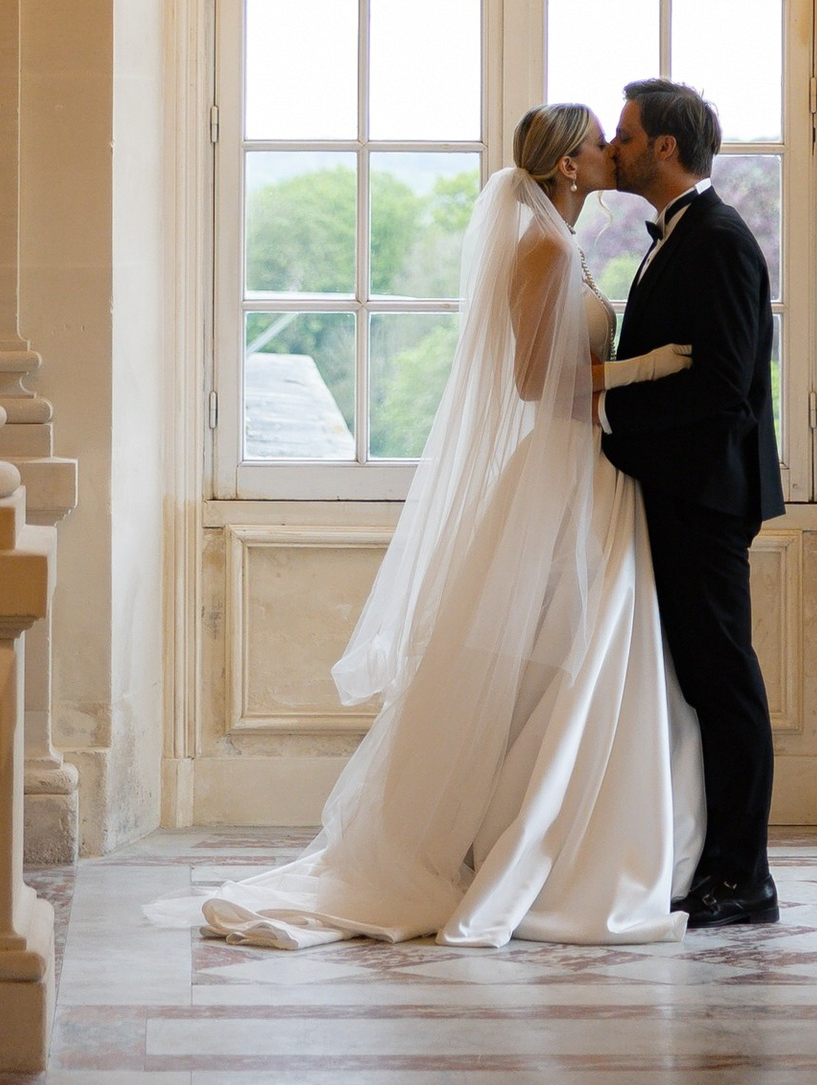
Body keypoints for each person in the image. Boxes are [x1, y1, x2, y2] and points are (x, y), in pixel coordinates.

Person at [170, 105, 706, 947]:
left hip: (591, 471)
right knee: (549, 655)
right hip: (561, 467)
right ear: (567, 165)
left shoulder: (564, 245)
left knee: (572, 659)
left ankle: (545, 826)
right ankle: (512, 842)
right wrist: (640, 369)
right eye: (598, 142)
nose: (610, 153)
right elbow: (535, 381)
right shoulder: (544, 248)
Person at [598, 78, 784, 930]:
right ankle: (712, 861)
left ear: (665, 148)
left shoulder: (714, 238)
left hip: (707, 496)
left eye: (628, 135)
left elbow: (720, 387)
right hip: (684, 490)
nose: (616, 145)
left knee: (725, 680)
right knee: (705, 678)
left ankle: (745, 878)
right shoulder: (682, 234)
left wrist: (613, 418)